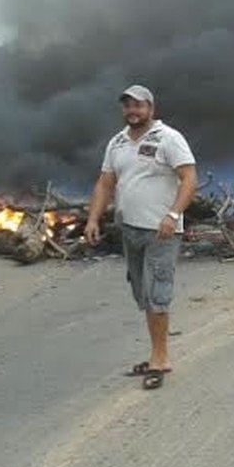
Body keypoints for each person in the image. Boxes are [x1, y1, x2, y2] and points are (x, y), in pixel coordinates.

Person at [84, 85, 197, 390]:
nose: (132, 111)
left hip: (162, 231)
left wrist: (173, 216)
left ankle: (159, 359)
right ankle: (157, 354)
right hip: (130, 229)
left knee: (157, 293)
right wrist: (93, 218)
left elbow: (189, 178)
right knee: (142, 293)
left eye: (138, 105)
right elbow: (106, 183)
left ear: (151, 108)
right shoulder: (118, 142)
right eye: (127, 106)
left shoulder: (168, 138)